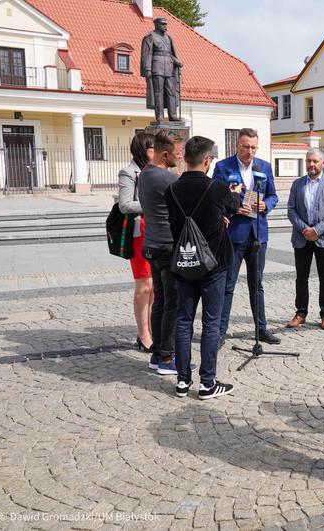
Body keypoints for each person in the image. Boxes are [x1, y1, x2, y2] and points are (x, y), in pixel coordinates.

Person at [166, 136, 241, 399]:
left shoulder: (172, 189)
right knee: (211, 322)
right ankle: (207, 383)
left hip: (184, 263)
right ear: (207, 161)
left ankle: (183, 381)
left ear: (185, 158)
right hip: (213, 265)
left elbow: (177, 223)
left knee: (183, 321)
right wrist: (232, 199)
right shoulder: (218, 188)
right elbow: (235, 206)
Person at [213, 128, 281, 346]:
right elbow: (214, 199)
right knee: (228, 285)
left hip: (258, 234)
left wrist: (266, 205)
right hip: (233, 235)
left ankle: (261, 329)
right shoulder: (223, 167)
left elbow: (273, 196)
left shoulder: (264, 166)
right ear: (237, 146)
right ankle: (220, 332)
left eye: (253, 147)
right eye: (245, 147)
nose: (250, 151)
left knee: (257, 284)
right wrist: (232, 209)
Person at [138, 129, 183, 375]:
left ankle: (157, 353)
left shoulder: (145, 173)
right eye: (177, 153)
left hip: (152, 244)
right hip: (168, 246)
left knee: (160, 301)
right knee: (172, 304)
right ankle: (166, 358)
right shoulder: (167, 178)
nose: (181, 156)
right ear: (165, 154)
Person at [286, 148, 324, 330]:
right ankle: (300, 313)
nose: (311, 164)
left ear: (322, 163)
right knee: (301, 277)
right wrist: (305, 229)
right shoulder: (297, 184)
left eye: (315, 161)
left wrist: (317, 230)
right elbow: (291, 210)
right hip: (302, 238)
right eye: (309, 161)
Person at [118, 132, 155, 354]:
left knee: (155, 287)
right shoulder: (129, 172)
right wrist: (151, 204)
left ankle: (151, 329)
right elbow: (124, 205)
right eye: (153, 148)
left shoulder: (155, 171)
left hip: (156, 232)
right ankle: (143, 335)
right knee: (144, 286)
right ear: (143, 150)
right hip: (139, 233)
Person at [141, 17, 182, 122]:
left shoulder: (169, 38)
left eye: (166, 24)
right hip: (157, 67)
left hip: (169, 68)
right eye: (163, 24)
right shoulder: (150, 37)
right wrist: (147, 69)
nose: (165, 26)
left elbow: (170, 54)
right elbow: (146, 54)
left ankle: (173, 115)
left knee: (171, 92)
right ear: (156, 25)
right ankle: (160, 116)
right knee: (158, 93)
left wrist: (176, 61)